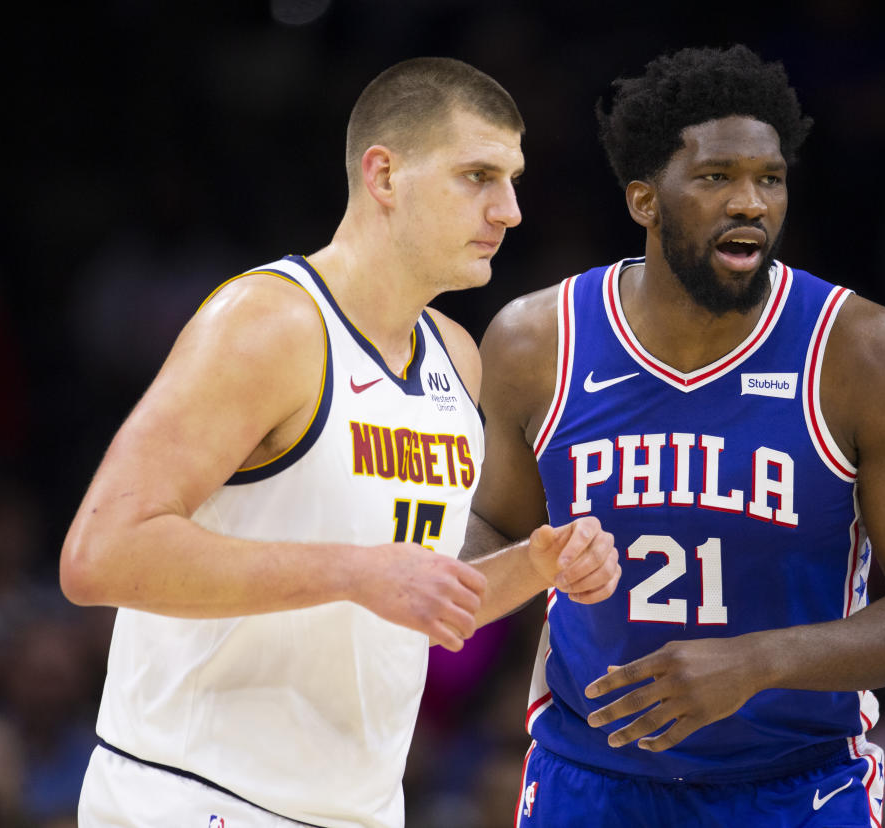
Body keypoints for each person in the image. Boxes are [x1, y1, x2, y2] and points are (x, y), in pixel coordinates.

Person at [59, 57, 619, 828]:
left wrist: (535, 565)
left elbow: (410, 593)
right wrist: (357, 572)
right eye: (479, 176)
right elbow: (102, 556)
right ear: (385, 175)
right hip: (194, 793)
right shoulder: (270, 324)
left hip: (357, 808)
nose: (510, 210)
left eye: (513, 179)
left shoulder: (455, 355)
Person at [470, 44, 885, 826]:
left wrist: (758, 662)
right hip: (590, 777)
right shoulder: (536, 343)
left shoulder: (863, 355)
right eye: (717, 178)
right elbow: (496, 529)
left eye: (769, 179)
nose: (751, 202)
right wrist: (493, 569)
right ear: (645, 199)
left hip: (794, 785)